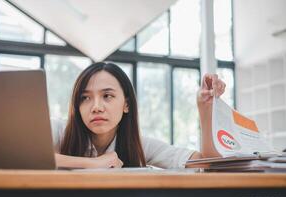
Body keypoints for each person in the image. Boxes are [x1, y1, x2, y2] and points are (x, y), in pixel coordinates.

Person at [53, 62, 226, 169]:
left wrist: (205, 109)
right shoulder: (60, 130)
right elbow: (28, 159)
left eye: (107, 96)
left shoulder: (138, 144)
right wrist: (94, 163)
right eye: (85, 98)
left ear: (126, 104)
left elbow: (207, 163)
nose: (96, 107)